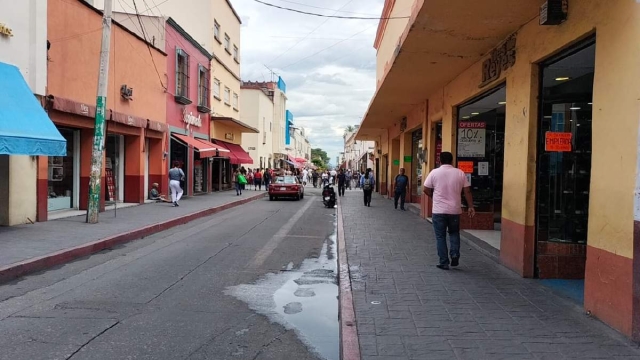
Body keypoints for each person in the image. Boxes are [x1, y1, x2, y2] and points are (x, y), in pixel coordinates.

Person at [423, 152, 475, 270]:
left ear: (439, 160)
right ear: (452, 161)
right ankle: (455, 254)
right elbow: (467, 191)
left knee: (440, 236)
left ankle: (444, 262)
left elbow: (425, 189)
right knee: (454, 233)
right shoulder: (460, 173)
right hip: (455, 210)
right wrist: (471, 206)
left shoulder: (434, 172)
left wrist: (433, 196)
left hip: (439, 210)